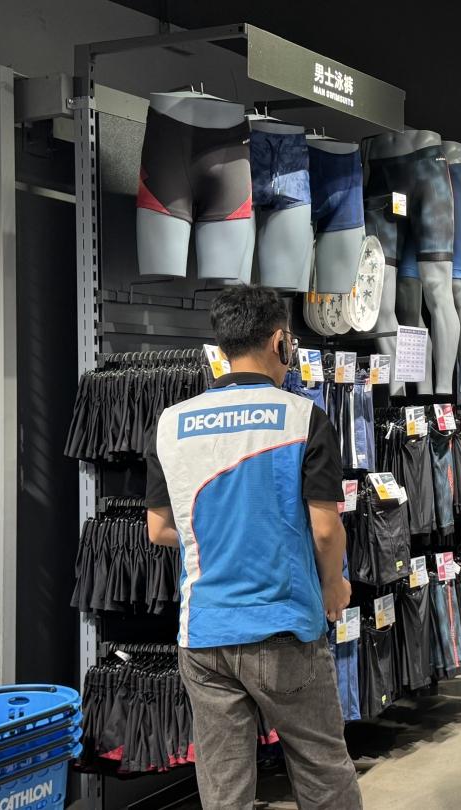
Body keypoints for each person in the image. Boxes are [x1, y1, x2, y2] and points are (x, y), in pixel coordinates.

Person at [145, 285, 362, 810]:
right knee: (322, 769)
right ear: (280, 341)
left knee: (224, 789)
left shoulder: (172, 422)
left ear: (223, 346)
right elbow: (326, 529)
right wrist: (334, 585)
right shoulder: (303, 416)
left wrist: (223, 536)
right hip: (283, 628)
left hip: (204, 633)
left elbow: (159, 529)